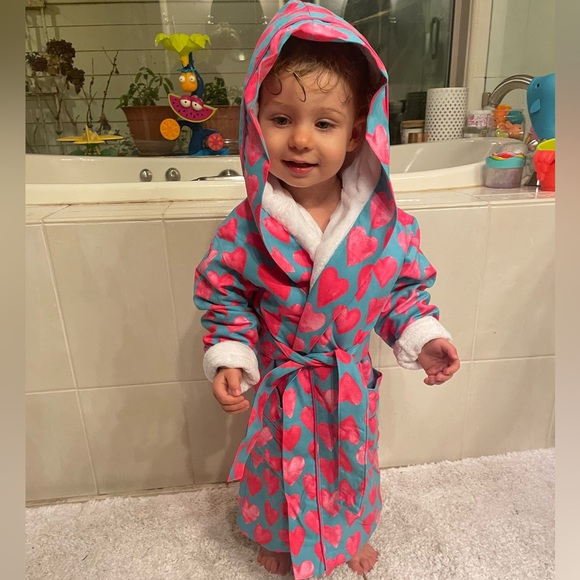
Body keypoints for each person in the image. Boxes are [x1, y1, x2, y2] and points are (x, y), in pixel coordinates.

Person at [193, 2, 460, 578]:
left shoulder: (383, 224)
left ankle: (348, 534)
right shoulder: (247, 227)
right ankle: (279, 536)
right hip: (286, 383)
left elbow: (400, 290)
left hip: (346, 382)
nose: (299, 140)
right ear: (254, 123)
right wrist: (232, 353)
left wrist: (423, 335)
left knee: (350, 463)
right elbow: (224, 294)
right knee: (276, 465)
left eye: (324, 123)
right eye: (280, 118)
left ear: (357, 133)